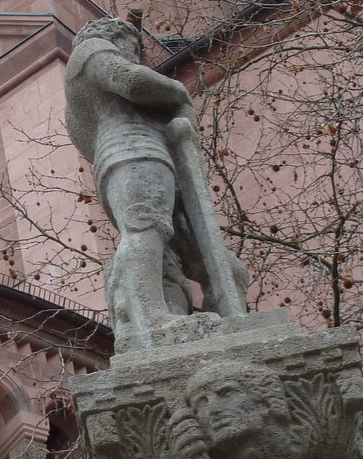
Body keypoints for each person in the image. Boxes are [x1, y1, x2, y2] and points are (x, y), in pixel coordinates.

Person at [64, 17, 244, 349]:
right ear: (122, 40)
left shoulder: (80, 102)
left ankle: (220, 320)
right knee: (147, 229)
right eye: (135, 50)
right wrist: (178, 92)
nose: (137, 57)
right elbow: (131, 81)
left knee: (215, 264)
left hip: (148, 159)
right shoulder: (91, 49)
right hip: (133, 154)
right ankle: (150, 316)